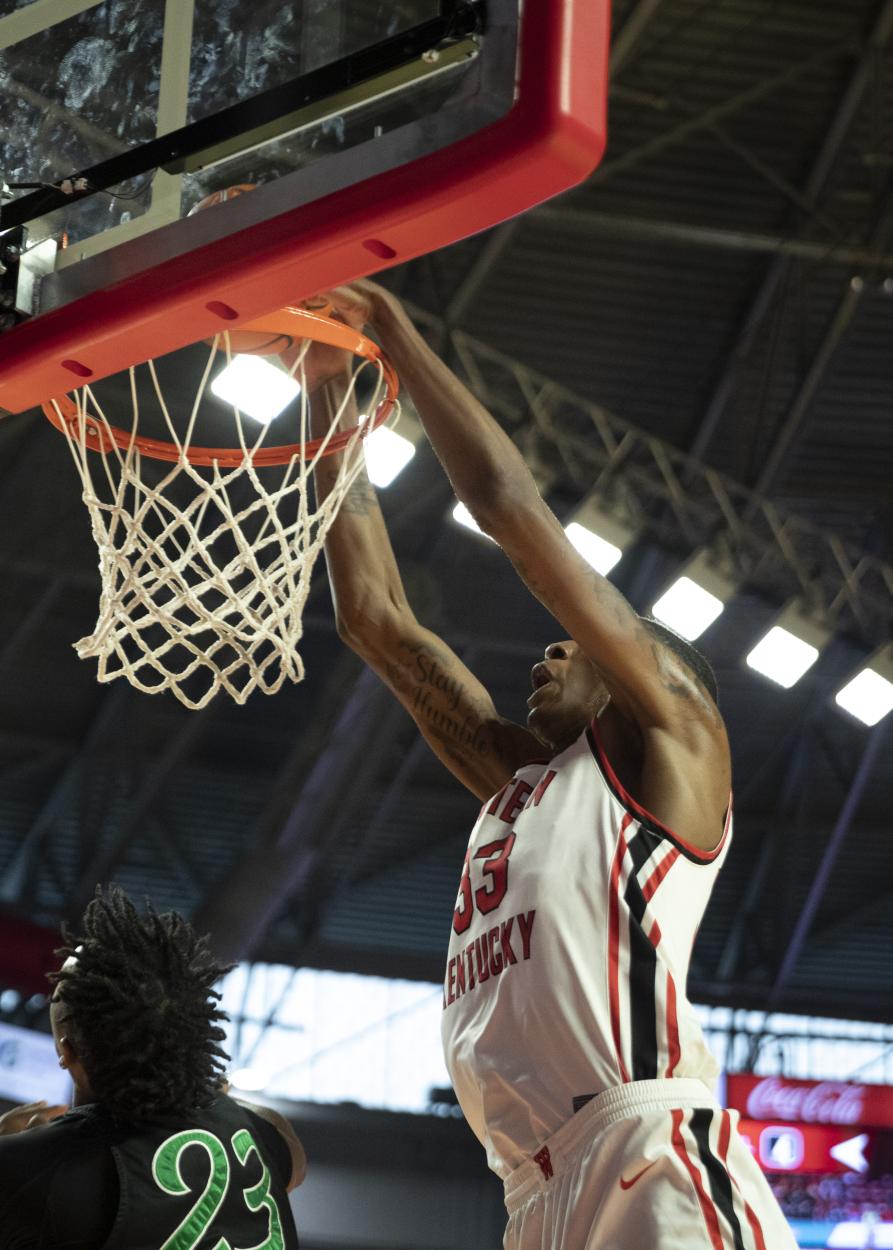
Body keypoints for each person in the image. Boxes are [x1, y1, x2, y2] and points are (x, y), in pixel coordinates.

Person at [310, 281, 795, 1250]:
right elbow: (372, 617)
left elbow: (508, 509)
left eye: (576, 647)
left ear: (648, 672)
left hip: (648, 1144)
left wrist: (392, 335)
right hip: (532, 1191)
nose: (548, 650)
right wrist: (326, 388)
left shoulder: (679, 747)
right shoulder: (522, 789)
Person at [0, 886, 305, 1250]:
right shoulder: (259, 1139)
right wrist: (199, 1088)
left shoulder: (16, 1171)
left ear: (67, 1050)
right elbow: (289, 1146)